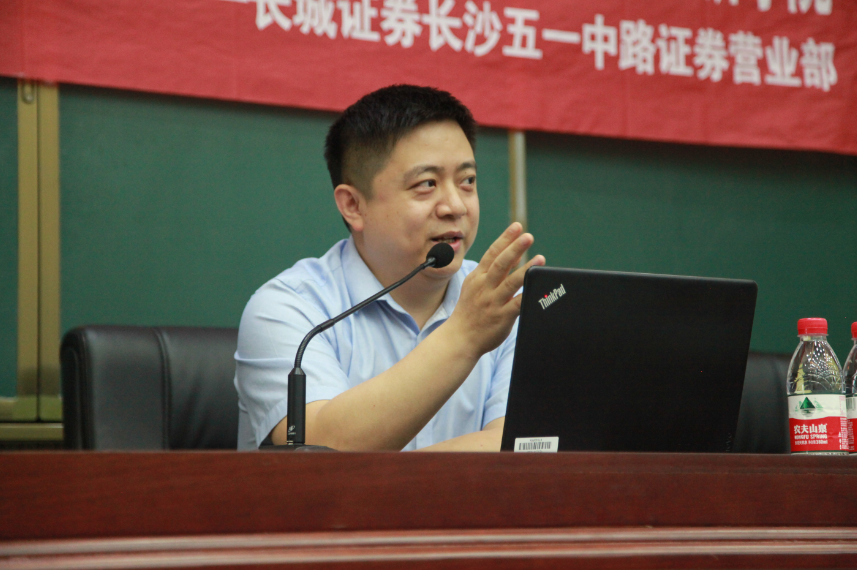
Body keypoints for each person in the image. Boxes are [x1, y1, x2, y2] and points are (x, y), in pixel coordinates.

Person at [234, 85, 544, 451]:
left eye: (467, 181)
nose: (456, 206)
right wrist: (466, 335)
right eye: (426, 184)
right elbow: (320, 453)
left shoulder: (505, 305)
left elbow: (525, 447)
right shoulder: (289, 310)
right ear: (353, 205)